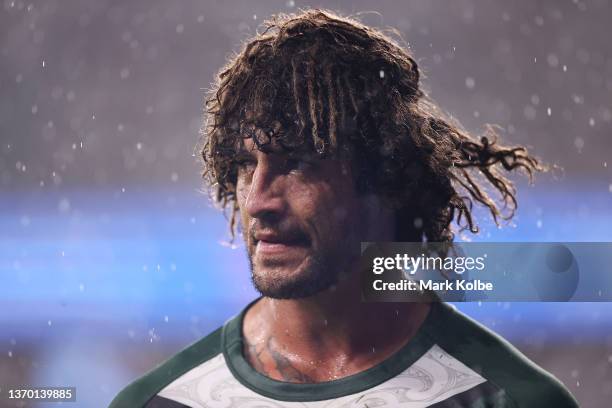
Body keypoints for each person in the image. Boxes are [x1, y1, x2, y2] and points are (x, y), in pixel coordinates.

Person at [109, 9, 578, 408]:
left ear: (384, 176)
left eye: (296, 163)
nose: (257, 201)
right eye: (246, 165)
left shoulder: (511, 398)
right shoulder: (162, 401)